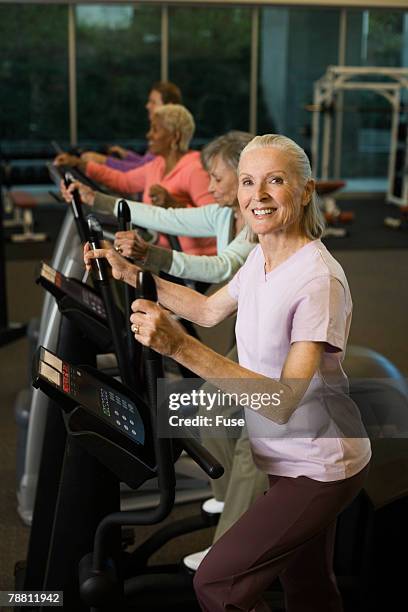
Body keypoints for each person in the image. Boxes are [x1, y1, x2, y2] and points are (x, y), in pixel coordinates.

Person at [85, 133, 371, 611]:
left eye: (274, 181)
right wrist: (135, 274)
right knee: (308, 586)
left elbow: (282, 401)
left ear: (304, 191)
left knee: (217, 585)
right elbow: (207, 309)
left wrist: (178, 346)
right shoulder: (262, 254)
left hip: (320, 465)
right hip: (287, 455)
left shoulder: (318, 280)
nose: (256, 195)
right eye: (247, 181)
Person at [63, 131, 255, 283]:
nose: (210, 187)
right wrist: (95, 199)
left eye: (218, 179)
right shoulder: (224, 213)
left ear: (245, 177)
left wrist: (148, 253)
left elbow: (221, 268)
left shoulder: (259, 222)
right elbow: (163, 217)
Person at [56, 104, 216, 256]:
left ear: (175, 136)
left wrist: (174, 204)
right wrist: (81, 164)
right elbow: (123, 180)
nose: (149, 135)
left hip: (194, 259)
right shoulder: (157, 165)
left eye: (155, 129)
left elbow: (213, 220)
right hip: (164, 253)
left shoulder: (195, 169)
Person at [80, 81, 182, 171]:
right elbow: (145, 163)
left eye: (153, 102)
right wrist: (126, 155)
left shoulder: (166, 137)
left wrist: (104, 160)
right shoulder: (167, 133)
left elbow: (140, 172)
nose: (147, 106)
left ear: (169, 106)